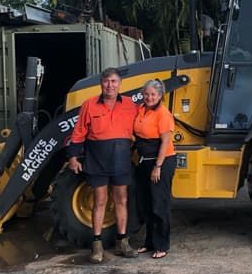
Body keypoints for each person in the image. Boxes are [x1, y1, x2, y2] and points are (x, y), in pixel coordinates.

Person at [65, 67, 139, 263]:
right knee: (99, 201)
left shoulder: (131, 105)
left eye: (114, 81)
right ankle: (97, 245)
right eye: (106, 81)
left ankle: (122, 242)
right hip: (96, 159)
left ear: (120, 84)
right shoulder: (89, 105)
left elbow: (143, 125)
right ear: (101, 84)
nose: (110, 85)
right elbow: (79, 132)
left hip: (122, 159)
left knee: (121, 199)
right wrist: (73, 157)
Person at [134, 79, 176, 259]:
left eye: (152, 94)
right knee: (146, 204)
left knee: (159, 204)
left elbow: (165, 142)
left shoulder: (163, 114)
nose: (149, 97)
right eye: (146, 94)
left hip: (161, 161)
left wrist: (157, 166)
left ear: (160, 96)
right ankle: (149, 243)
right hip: (144, 161)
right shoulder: (141, 109)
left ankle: (162, 245)